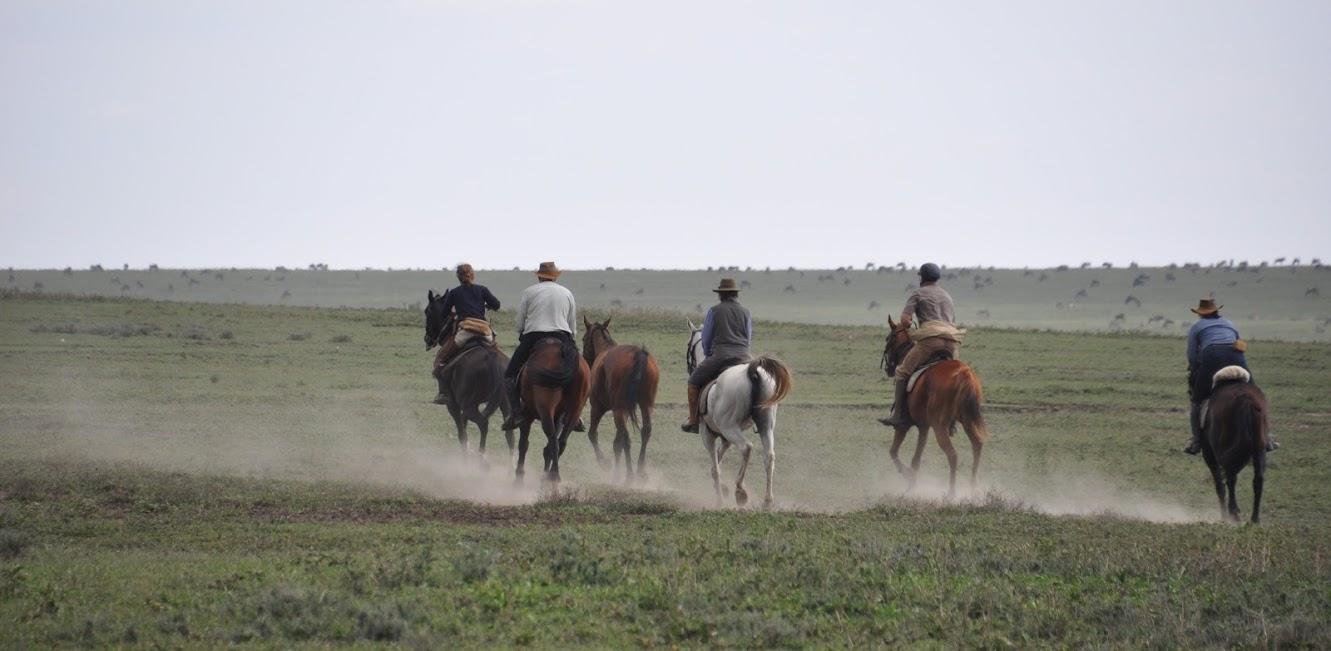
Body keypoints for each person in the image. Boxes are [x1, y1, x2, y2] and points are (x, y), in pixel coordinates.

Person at [1183, 298, 1277, 454]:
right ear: (1216, 311)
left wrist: (1195, 369)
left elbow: (1192, 355)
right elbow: (1239, 343)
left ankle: (1197, 441)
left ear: (1200, 314)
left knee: (1197, 401)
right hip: (1236, 356)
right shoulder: (1229, 323)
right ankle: (1267, 438)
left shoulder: (1197, 327)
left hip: (1211, 356)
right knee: (1256, 394)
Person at [878, 262, 964, 428]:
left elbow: (904, 320)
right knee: (955, 377)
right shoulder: (947, 295)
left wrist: (908, 322)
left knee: (902, 372)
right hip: (952, 341)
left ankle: (898, 415)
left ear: (921, 277)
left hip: (931, 340)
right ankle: (952, 419)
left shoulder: (917, 293)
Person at [501, 261, 578, 431]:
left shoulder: (529, 292)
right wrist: (571, 337)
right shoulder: (567, 293)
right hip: (562, 335)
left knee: (509, 374)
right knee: (577, 372)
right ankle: (574, 414)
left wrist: (521, 331)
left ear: (539, 276)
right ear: (555, 277)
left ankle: (516, 413)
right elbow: (572, 324)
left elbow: (520, 320)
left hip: (534, 335)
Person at [681, 278, 752, 433]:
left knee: (693, 382)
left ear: (721, 295)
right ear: (735, 294)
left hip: (721, 356)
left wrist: (708, 354)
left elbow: (705, 339)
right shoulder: (746, 312)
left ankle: (693, 420)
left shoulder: (714, 311)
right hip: (745, 357)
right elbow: (748, 338)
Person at [432, 264, 501, 404]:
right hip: (485, 332)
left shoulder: (454, 292)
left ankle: (443, 392)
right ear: (472, 275)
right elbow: (497, 304)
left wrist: (455, 312)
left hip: (466, 331)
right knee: (498, 357)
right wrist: (487, 306)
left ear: (458, 277)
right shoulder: (482, 290)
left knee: (440, 359)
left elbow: (444, 313)